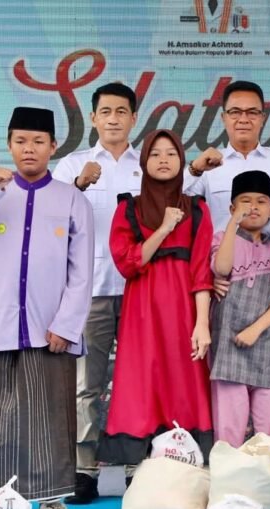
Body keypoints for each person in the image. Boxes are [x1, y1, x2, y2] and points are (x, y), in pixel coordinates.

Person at [0, 107, 94, 509]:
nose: (28, 149)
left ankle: (52, 498)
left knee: (49, 416)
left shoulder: (72, 199)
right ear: (10, 145)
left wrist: (66, 325)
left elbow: (81, 272)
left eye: (37, 141)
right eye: (20, 141)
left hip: (48, 326)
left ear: (52, 147)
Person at [96, 130, 214, 473]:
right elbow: (127, 263)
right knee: (141, 382)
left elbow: (201, 271)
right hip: (141, 312)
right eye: (155, 154)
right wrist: (162, 228)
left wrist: (202, 323)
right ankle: (139, 472)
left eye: (171, 154)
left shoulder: (198, 210)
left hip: (183, 311)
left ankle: (186, 467)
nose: (164, 160)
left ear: (181, 161)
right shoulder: (128, 210)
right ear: (144, 163)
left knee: (184, 382)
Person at [52, 82, 141, 504]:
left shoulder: (149, 165)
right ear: (92, 117)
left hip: (140, 290)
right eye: (105, 111)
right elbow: (52, 226)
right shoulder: (70, 167)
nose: (113, 119)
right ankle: (85, 471)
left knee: (134, 384)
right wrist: (77, 188)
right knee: (87, 385)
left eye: (121, 112)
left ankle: (135, 470)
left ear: (134, 118)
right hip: (89, 291)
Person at [209, 170, 270, 447]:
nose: (253, 207)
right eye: (245, 201)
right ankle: (229, 486)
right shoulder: (222, 238)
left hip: (267, 349)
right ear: (232, 208)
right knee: (229, 430)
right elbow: (221, 269)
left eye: (261, 201)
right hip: (228, 349)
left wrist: (256, 329)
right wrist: (234, 224)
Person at [185, 80, 270, 231]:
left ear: (263, 118)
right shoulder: (207, 166)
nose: (243, 119)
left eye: (252, 112)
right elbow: (175, 205)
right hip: (220, 253)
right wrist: (194, 170)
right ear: (223, 118)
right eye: (235, 112)